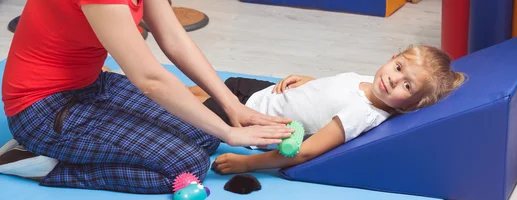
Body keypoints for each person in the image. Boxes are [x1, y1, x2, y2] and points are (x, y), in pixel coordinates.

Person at [0, 0, 294, 194]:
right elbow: (149, 79)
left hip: (92, 85)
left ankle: (69, 150)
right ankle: (43, 163)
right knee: (186, 165)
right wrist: (231, 133)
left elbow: (174, 40)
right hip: (43, 110)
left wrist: (232, 107)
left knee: (205, 135)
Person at [194, 44, 467, 174]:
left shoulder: (363, 114)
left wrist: (246, 164)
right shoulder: (375, 83)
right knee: (202, 89)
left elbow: (307, 152)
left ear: (410, 104)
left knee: (191, 108)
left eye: (407, 86)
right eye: (398, 68)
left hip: (254, 116)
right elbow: (337, 90)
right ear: (392, 58)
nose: (394, 79)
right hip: (270, 93)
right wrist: (310, 82)